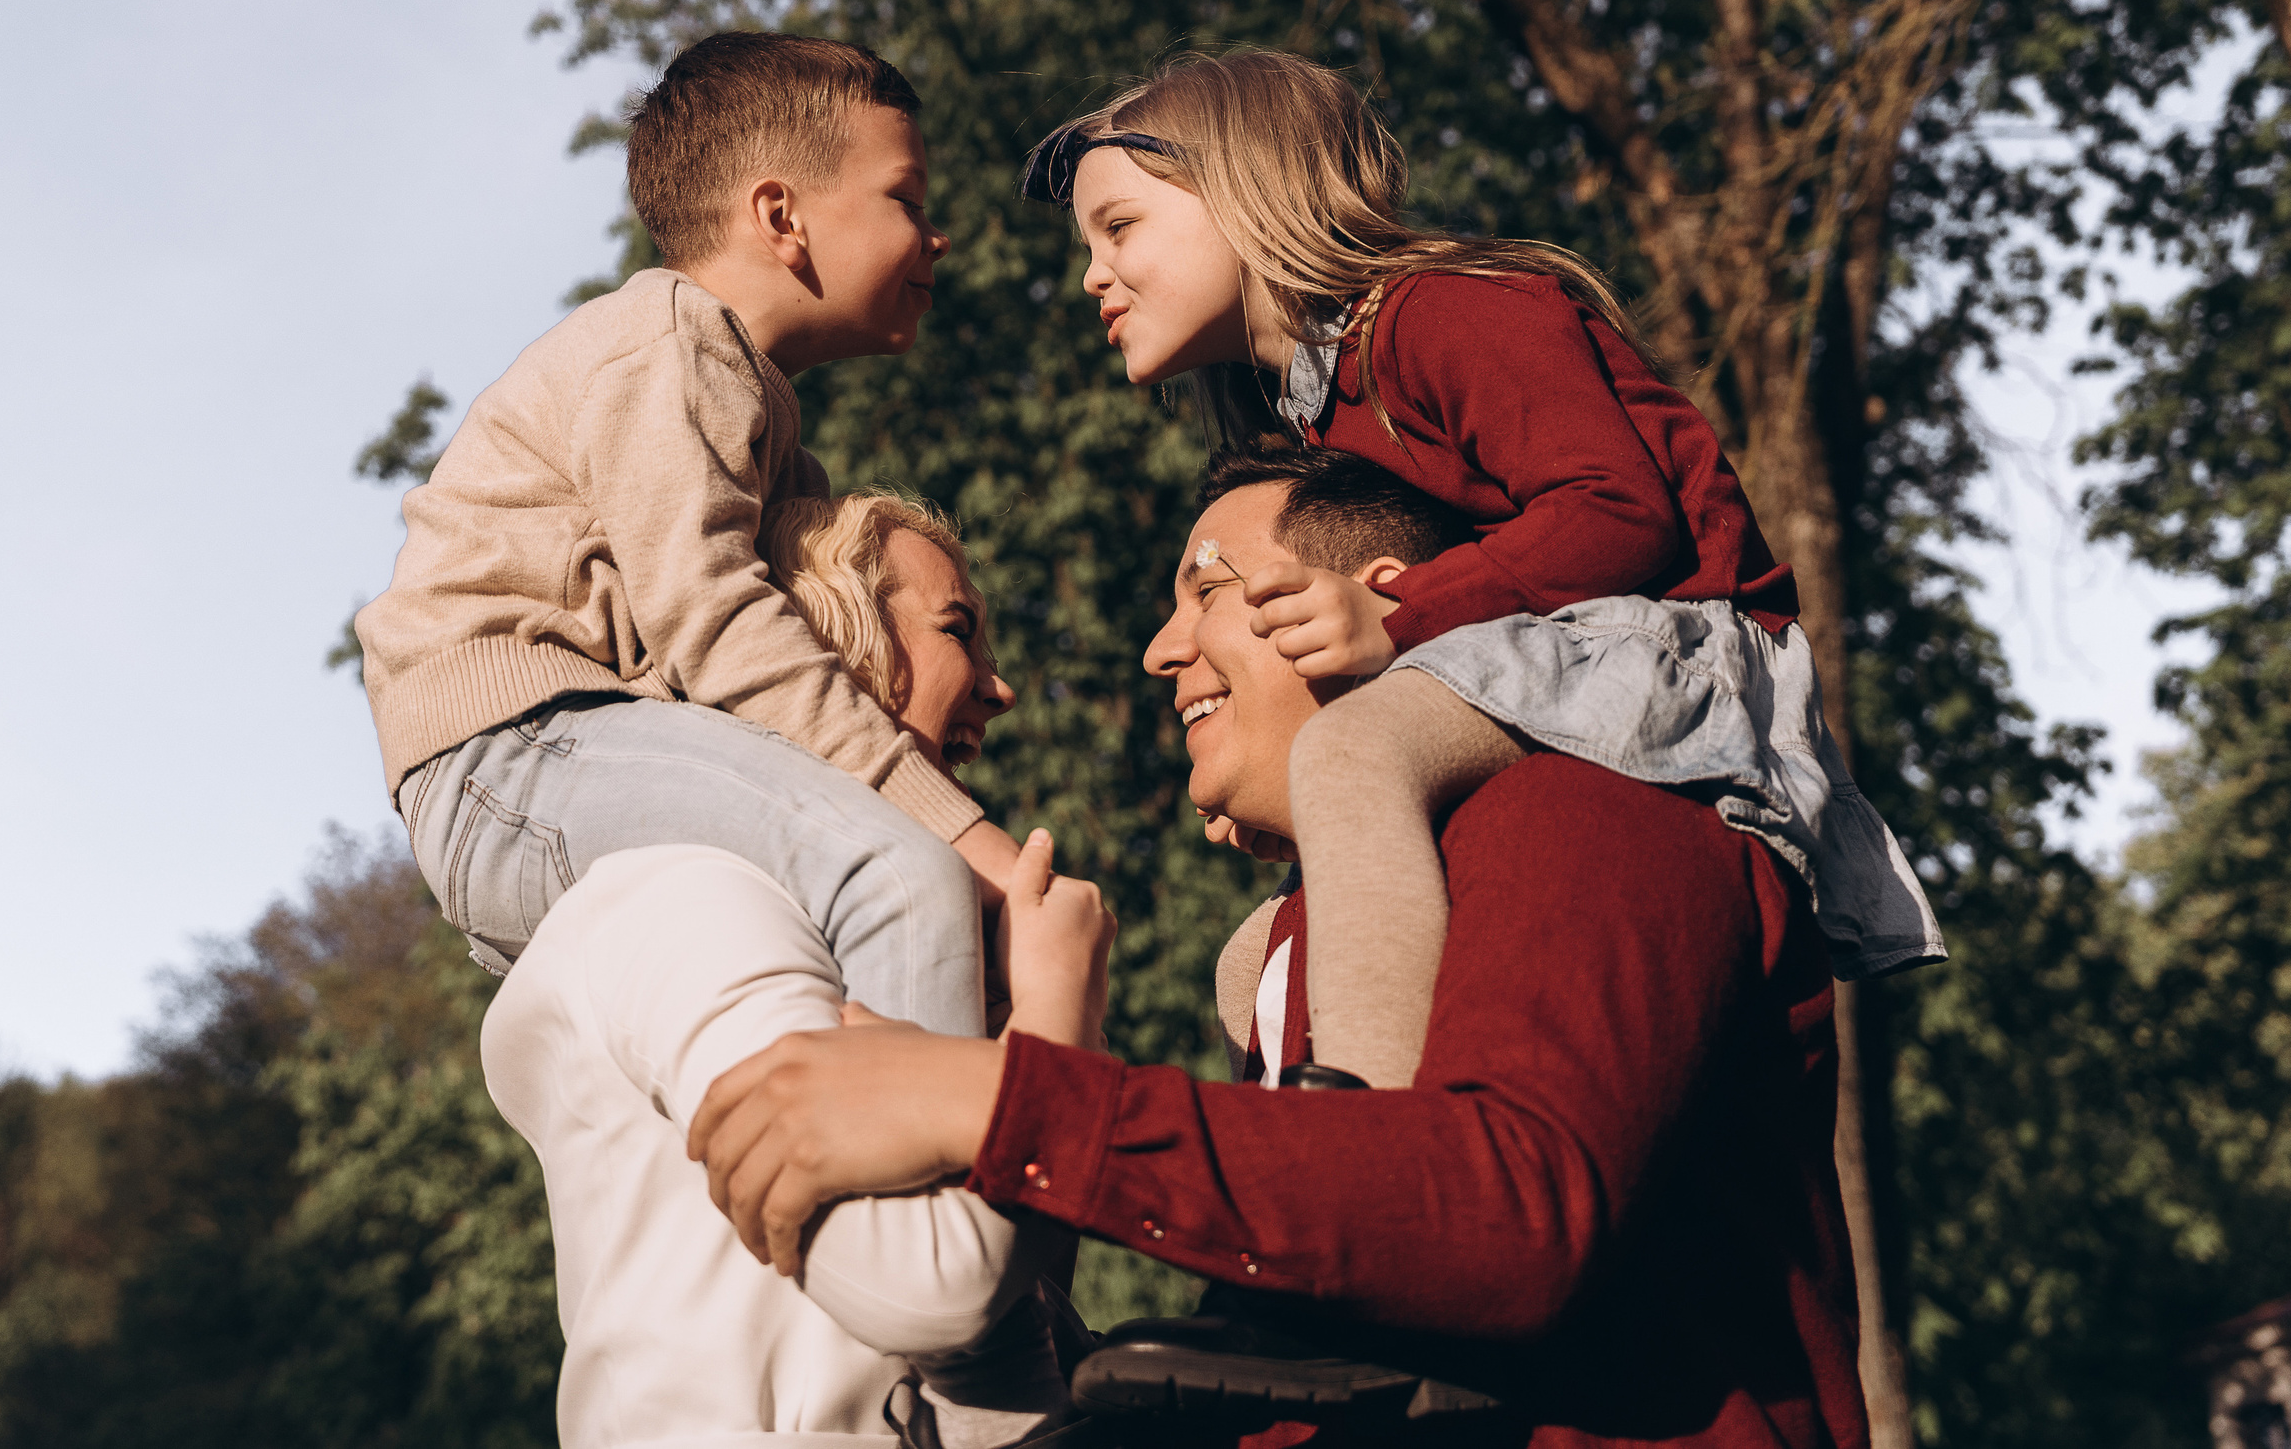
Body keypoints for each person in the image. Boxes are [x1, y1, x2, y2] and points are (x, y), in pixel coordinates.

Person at [686, 447, 1869, 1449]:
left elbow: (1512, 1213)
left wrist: (994, 1098)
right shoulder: (1303, 948)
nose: (1159, 649)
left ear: (1389, 602)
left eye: (1207, 587)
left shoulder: (1581, 812)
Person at [1018, 48, 1942, 1090]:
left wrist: (1398, 621)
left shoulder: (1441, 311)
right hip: (1551, 647)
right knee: (1251, 962)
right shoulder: (1313, 403)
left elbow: (1618, 511)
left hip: (1664, 641)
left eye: (1120, 228)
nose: (1092, 273)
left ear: (1244, 195)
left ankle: (1375, 1119)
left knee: (1354, 758)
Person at [356, 31, 1070, 1040]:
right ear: (780, 215)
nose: (936, 236)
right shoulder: (670, 342)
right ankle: (932, 1183)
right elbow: (721, 628)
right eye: (906, 201)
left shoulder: (769, 438)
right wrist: (973, 843)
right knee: (901, 871)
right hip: (517, 755)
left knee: (843, 933)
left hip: (573, 762)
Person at [483, 490, 1116, 1449]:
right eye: (959, 631)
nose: (999, 686)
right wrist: (1057, 1019)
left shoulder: (886, 943)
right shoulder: (692, 899)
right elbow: (941, 1289)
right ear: (831, 647)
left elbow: (1016, 1329)